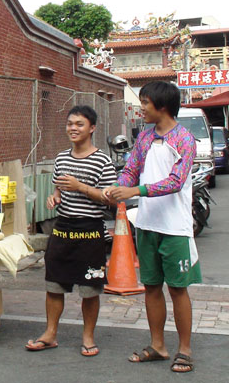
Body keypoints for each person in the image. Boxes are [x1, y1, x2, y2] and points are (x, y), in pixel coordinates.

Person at [104, 81, 199, 373]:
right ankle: (158, 345)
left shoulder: (184, 139)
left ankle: (185, 350)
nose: (141, 108)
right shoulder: (145, 138)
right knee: (151, 287)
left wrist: (135, 192)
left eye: (145, 102)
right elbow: (132, 169)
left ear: (163, 106)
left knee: (178, 289)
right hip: (146, 224)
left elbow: (176, 182)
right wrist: (118, 188)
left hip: (175, 228)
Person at [25, 106, 116, 357]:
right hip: (63, 228)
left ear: (92, 128)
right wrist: (53, 199)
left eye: (79, 124)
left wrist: (81, 187)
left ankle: (88, 337)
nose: (73, 128)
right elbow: (58, 190)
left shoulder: (102, 160)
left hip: (90, 231)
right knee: (54, 284)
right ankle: (50, 334)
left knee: (90, 288)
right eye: (70, 124)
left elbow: (110, 199)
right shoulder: (62, 158)